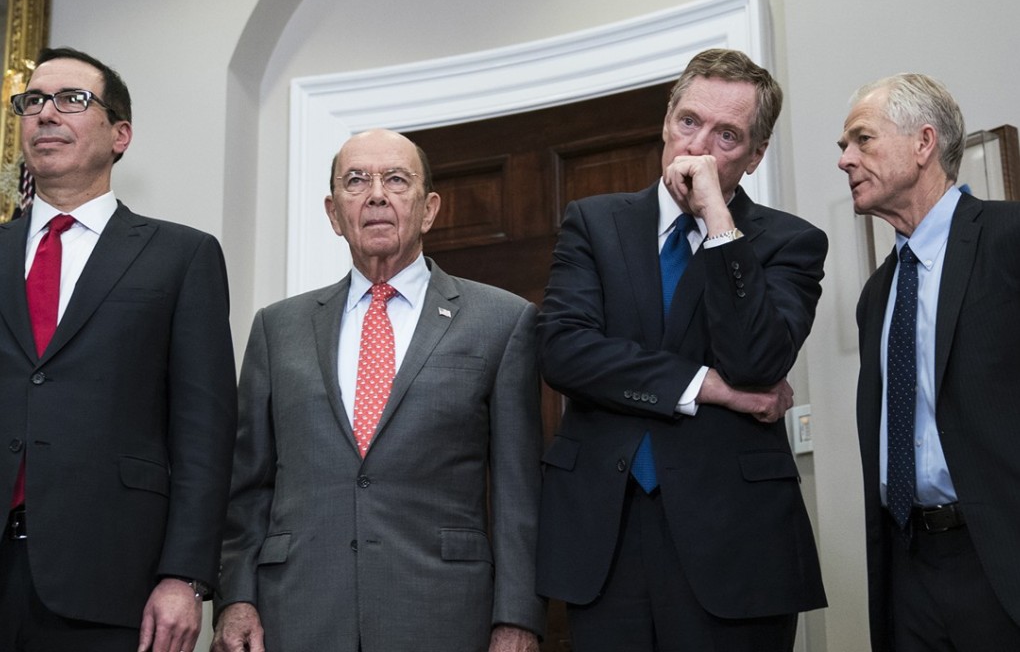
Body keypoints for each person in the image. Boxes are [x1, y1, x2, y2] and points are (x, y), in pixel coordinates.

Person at [536, 48, 828, 651]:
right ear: (666, 121)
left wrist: (718, 220)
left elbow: (755, 363)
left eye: (727, 135)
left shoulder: (791, 242)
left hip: (735, 542)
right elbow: (565, 351)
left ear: (756, 154)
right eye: (689, 122)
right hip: (606, 536)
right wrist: (709, 387)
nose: (698, 147)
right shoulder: (593, 223)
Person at [212, 128, 546, 652]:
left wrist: (518, 619)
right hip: (296, 611)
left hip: (443, 613)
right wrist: (236, 598)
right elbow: (247, 486)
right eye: (356, 181)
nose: (375, 195)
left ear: (429, 208)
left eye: (396, 179)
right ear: (333, 212)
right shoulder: (278, 328)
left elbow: (518, 491)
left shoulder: (501, 321)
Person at [0, 47, 237, 652]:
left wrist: (185, 576)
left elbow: (204, 433)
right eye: (33, 102)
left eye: (71, 100)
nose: (45, 114)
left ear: (120, 134)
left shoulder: (181, 256)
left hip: (111, 584)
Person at [841, 73, 1020, 651]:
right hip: (907, 567)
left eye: (862, 140)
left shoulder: (1009, 240)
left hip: (999, 561)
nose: (845, 160)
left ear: (923, 144)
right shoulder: (878, 293)